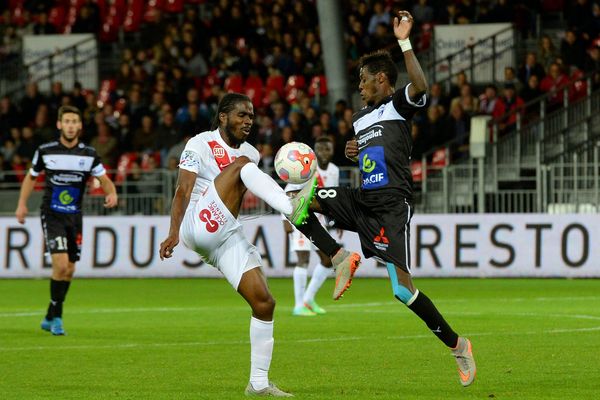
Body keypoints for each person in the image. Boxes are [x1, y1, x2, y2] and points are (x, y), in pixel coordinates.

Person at [292, 11, 477, 387]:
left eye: (363, 80)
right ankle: (339, 256)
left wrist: (404, 42)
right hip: (362, 197)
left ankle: (458, 345)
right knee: (296, 200)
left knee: (400, 289)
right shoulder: (360, 117)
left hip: (392, 203)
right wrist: (354, 150)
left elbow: (421, 87)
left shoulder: (397, 104)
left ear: (381, 79)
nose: (359, 87)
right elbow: (372, 149)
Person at [158, 93, 360, 396]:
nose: (248, 121)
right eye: (242, 115)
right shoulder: (199, 144)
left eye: (251, 116)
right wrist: (173, 231)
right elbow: (182, 190)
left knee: (264, 303)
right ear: (223, 117)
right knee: (243, 166)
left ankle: (259, 383)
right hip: (196, 225)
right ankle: (292, 204)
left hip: (225, 233)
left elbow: (244, 189)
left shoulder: (251, 152)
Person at [15, 105, 118, 336]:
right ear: (60, 125)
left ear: (80, 126)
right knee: (60, 265)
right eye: (67, 121)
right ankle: (58, 318)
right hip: (52, 214)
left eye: (75, 121)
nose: (71, 125)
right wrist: (22, 204)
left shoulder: (89, 154)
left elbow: (104, 179)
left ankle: (50, 314)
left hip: (75, 216)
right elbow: (30, 178)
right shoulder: (45, 151)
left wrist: (111, 192)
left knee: (70, 269)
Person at [283, 136, 340, 316]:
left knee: (327, 260)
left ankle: (308, 299)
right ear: (314, 152)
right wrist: (285, 220)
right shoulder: (306, 168)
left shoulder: (334, 170)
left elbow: (333, 196)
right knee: (303, 259)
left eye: (327, 149)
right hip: (300, 217)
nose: (324, 153)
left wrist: (338, 219)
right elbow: (288, 193)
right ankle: (298, 305)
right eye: (320, 149)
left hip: (319, 221)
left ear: (332, 151)